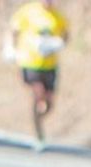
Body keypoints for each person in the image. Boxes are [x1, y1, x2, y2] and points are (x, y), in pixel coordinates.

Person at [6, 0, 67, 151]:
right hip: (30, 62)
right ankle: (39, 133)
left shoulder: (58, 16)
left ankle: (38, 123)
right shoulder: (28, 12)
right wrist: (10, 48)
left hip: (50, 64)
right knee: (38, 94)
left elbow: (66, 35)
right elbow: (13, 29)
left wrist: (58, 43)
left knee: (48, 103)